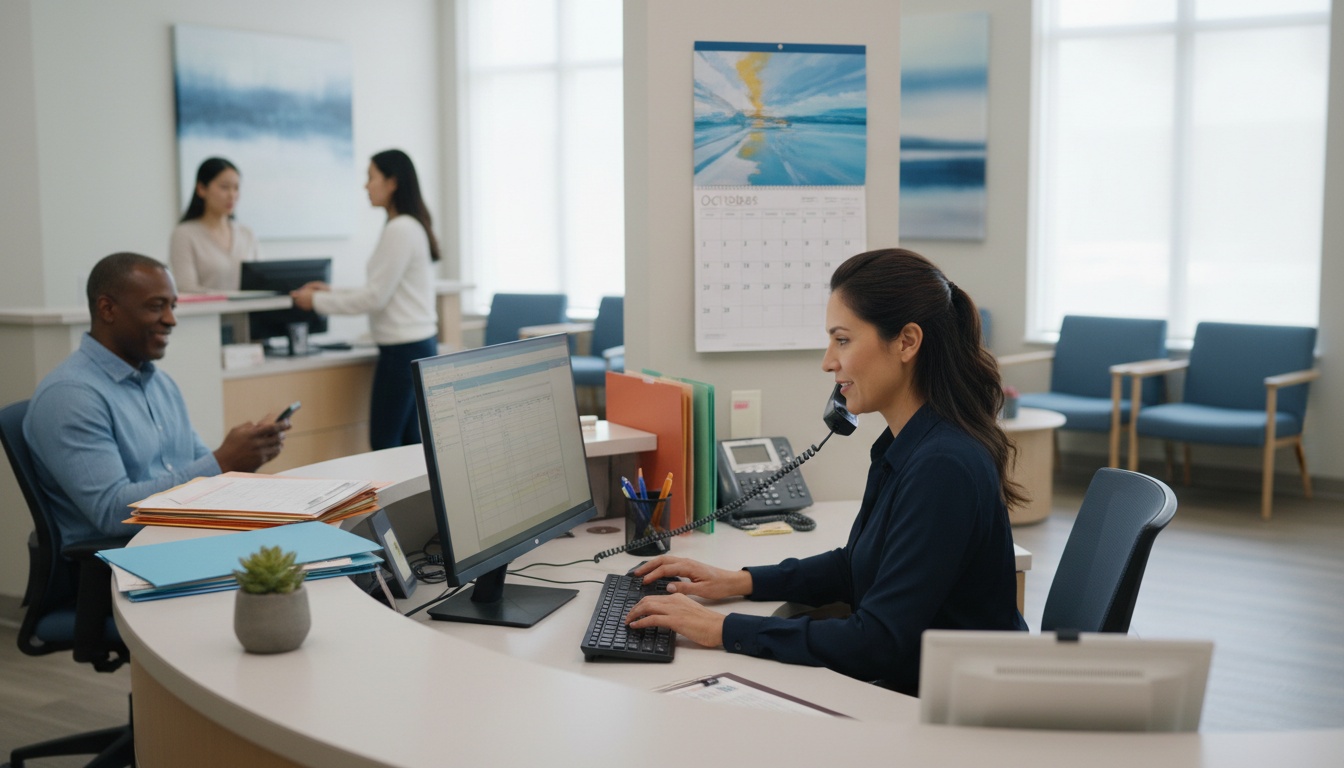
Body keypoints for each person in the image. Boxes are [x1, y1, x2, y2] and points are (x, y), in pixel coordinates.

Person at [626, 248, 1028, 696]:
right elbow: (858, 567)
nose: (827, 361)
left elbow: (876, 642)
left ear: (907, 342)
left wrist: (720, 628)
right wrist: (737, 581)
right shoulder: (910, 443)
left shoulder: (943, 466)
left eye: (842, 340)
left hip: (957, 711)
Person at [24, 252, 291, 548]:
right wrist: (224, 461)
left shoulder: (161, 384)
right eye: (156, 307)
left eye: (172, 306)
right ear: (107, 309)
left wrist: (243, 460)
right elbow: (113, 512)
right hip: (120, 559)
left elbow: (201, 470)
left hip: (182, 537)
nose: (170, 319)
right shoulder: (70, 395)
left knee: (295, 544)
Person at [291, 149, 439, 450]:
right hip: (419, 344)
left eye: (371, 177)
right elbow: (381, 288)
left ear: (392, 182)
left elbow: (374, 297)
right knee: (411, 443)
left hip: (402, 350)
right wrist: (331, 293)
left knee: (385, 444)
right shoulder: (409, 226)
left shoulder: (400, 229)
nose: (365, 186)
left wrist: (316, 303)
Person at [169, 157, 259, 292]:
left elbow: (262, 280)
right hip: (208, 312)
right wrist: (230, 299)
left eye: (236, 188)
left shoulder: (246, 233)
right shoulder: (184, 234)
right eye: (224, 187)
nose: (232, 195)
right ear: (201, 189)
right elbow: (186, 287)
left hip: (250, 313)